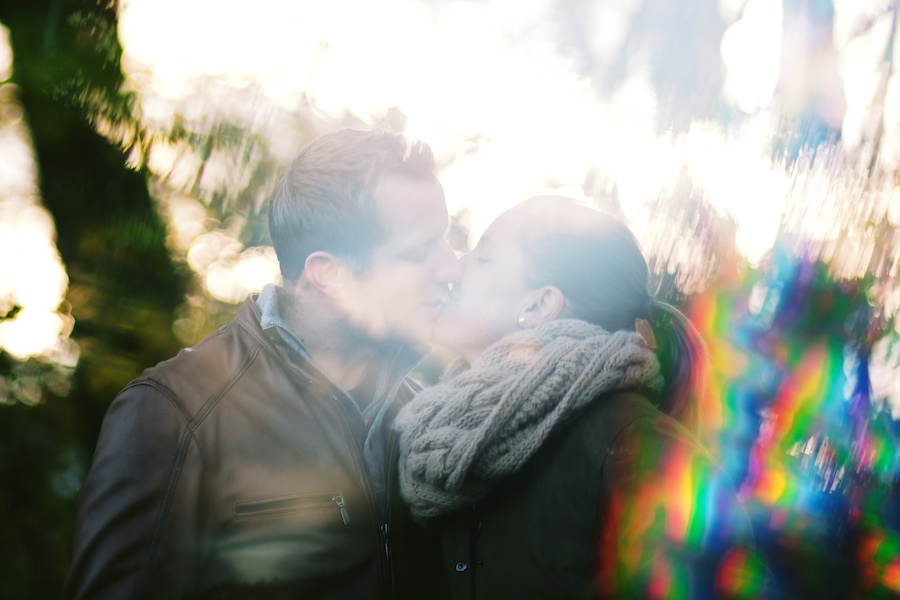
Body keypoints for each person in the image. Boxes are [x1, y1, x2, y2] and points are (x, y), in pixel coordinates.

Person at [63, 129, 461, 600]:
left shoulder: (425, 419)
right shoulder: (175, 414)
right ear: (329, 274)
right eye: (419, 253)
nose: (452, 269)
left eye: (446, 242)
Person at [395, 196, 775, 599]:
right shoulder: (443, 442)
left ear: (539, 304)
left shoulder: (636, 449)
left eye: (483, 257)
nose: (454, 267)